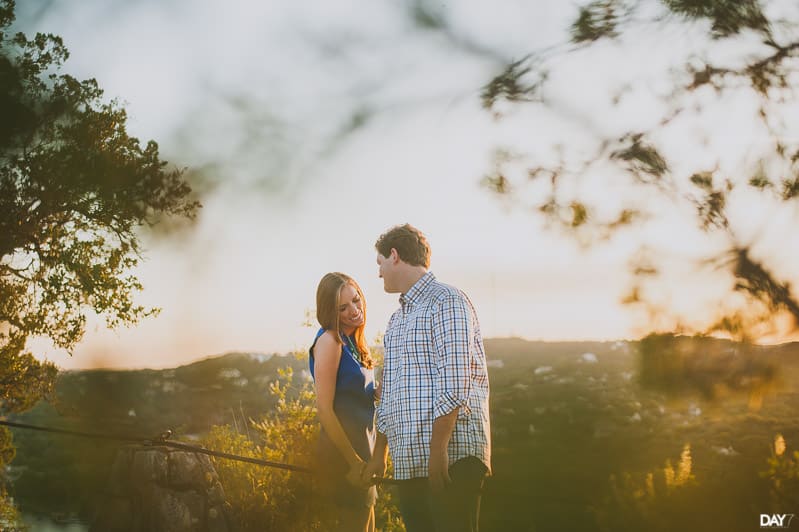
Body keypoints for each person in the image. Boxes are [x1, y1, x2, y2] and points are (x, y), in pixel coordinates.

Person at [362, 224, 492, 532]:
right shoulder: (396, 321)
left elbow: (455, 383)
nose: (379, 273)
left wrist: (438, 451)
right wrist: (379, 456)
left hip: (451, 458)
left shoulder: (447, 300)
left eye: (379, 264)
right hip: (409, 463)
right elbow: (390, 395)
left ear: (394, 255)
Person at [309, 272, 377, 532]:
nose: (355, 310)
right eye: (343, 307)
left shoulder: (354, 342)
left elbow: (350, 393)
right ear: (331, 311)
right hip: (345, 459)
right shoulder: (330, 340)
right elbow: (324, 410)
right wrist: (354, 462)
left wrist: (374, 391)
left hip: (365, 454)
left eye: (356, 300)